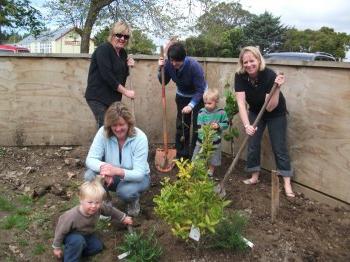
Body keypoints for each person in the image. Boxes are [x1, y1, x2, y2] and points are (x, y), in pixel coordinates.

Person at [234, 46, 295, 197]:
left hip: (276, 112)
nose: (248, 65)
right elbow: (241, 103)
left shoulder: (269, 75)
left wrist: (278, 88)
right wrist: (247, 125)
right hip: (255, 111)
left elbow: (270, 107)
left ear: (259, 59)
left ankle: (287, 182)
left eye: (252, 61)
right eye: (245, 62)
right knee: (253, 143)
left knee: (279, 146)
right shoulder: (240, 76)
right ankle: (254, 176)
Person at [84, 102, 151, 216]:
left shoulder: (140, 138)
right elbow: (90, 159)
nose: (118, 129)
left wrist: (115, 171)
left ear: (129, 123)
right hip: (111, 175)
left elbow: (139, 173)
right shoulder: (103, 133)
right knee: (89, 176)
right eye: (114, 125)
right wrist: (105, 168)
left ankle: (133, 201)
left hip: (137, 178)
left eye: (121, 124)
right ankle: (105, 202)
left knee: (126, 192)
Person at [52, 180, 133, 261]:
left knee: (97, 247)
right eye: (90, 202)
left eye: (97, 202)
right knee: (77, 241)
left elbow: (111, 210)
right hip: (71, 236)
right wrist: (56, 247)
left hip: (86, 234)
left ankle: (73, 253)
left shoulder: (99, 207)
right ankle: (70, 258)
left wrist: (123, 217)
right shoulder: (71, 216)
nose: (94, 206)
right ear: (81, 200)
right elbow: (60, 231)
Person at [158, 42, 207, 159]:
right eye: (172, 60)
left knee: (198, 126)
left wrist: (191, 105)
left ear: (184, 58)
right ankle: (181, 155)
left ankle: (195, 156)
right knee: (182, 126)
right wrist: (160, 70)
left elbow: (200, 90)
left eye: (177, 61)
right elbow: (163, 82)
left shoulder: (194, 66)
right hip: (182, 95)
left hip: (198, 96)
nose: (174, 63)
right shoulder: (169, 64)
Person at [85, 21, 135, 128]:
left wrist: (128, 66)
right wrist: (126, 92)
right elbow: (108, 76)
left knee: (112, 128)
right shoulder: (103, 50)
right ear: (112, 34)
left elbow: (122, 76)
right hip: (98, 97)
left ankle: (111, 145)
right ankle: (101, 145)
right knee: (105, 127)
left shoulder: (122, 53)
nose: (122, 39)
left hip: (112, 98)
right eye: (119, 35)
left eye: (126, 37)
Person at [192, 88, 229, 179]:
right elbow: (199, 127)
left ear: (216, 102)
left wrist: (218, 125)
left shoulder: (221, 112)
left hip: (215, 141)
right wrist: (204, 135)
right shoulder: (201, 112)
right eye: (205, 103)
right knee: (197, 155)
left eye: (209, 103)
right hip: (202, 141)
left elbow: (226, 124)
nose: (207, 106)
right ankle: (197, 170)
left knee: (214, 157)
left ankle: (210, 172)